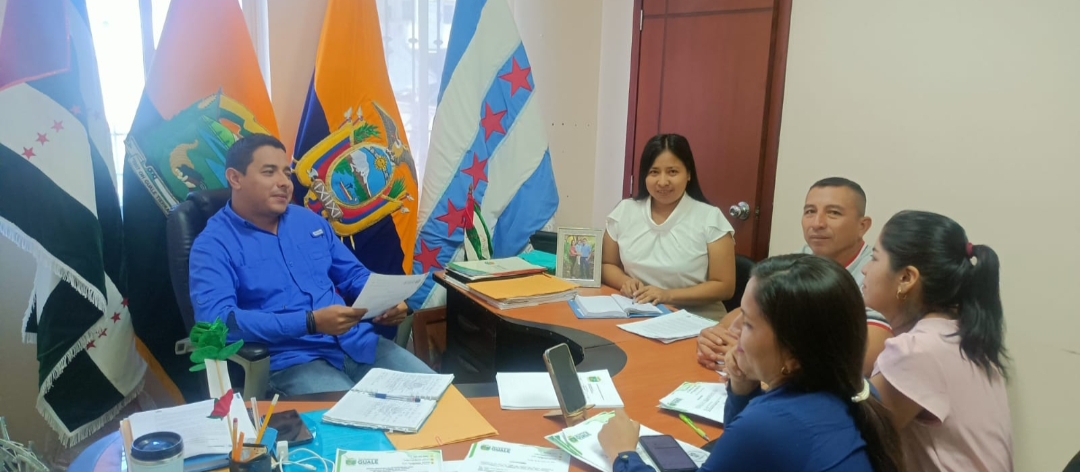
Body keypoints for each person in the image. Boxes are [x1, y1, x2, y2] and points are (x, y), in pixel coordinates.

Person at [597, 254, 903, 472]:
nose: (733, 329)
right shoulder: (855, 390)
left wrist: (623, 454)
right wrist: (743, 386)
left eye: (749, 323)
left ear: (792, 355)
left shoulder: (771, 423)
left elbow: (751, 436)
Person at [188, 134, 434, 396]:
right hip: (293, 360)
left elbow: (353, 275)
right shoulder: (213, 245)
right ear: (235, 178)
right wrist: (309, 322)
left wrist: (387, 302)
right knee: (354, 418)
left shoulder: (308, 221)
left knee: (438, 395)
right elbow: (217, 322)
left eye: (286, 173)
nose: (284, 182)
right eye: (269, 172)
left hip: (357, 343)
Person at [862, 210, 1012, 471]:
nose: (865, 269)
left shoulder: (918, 351)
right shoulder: (959, 336)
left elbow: (850, 437)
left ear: (906, 278)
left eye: (874, 257)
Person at [697, 177, 891, 376]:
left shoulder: (874, 274)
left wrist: (755, 352)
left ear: (862, 226)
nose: (817, 223)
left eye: (834, 213)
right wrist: (716, 334)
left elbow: (860, 357)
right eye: (810, 212)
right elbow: (751, 309)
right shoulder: (803, 257)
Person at [601, 133, 736, 320]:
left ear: (688, 174)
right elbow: (607, 264)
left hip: (697, 320)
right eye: (654, 172)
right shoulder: (624, 211)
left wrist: (667, 295)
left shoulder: (710, 218)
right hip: (639, 313)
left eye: (672, 172)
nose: (663, 182)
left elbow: (724, 286)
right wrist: (626, 282)